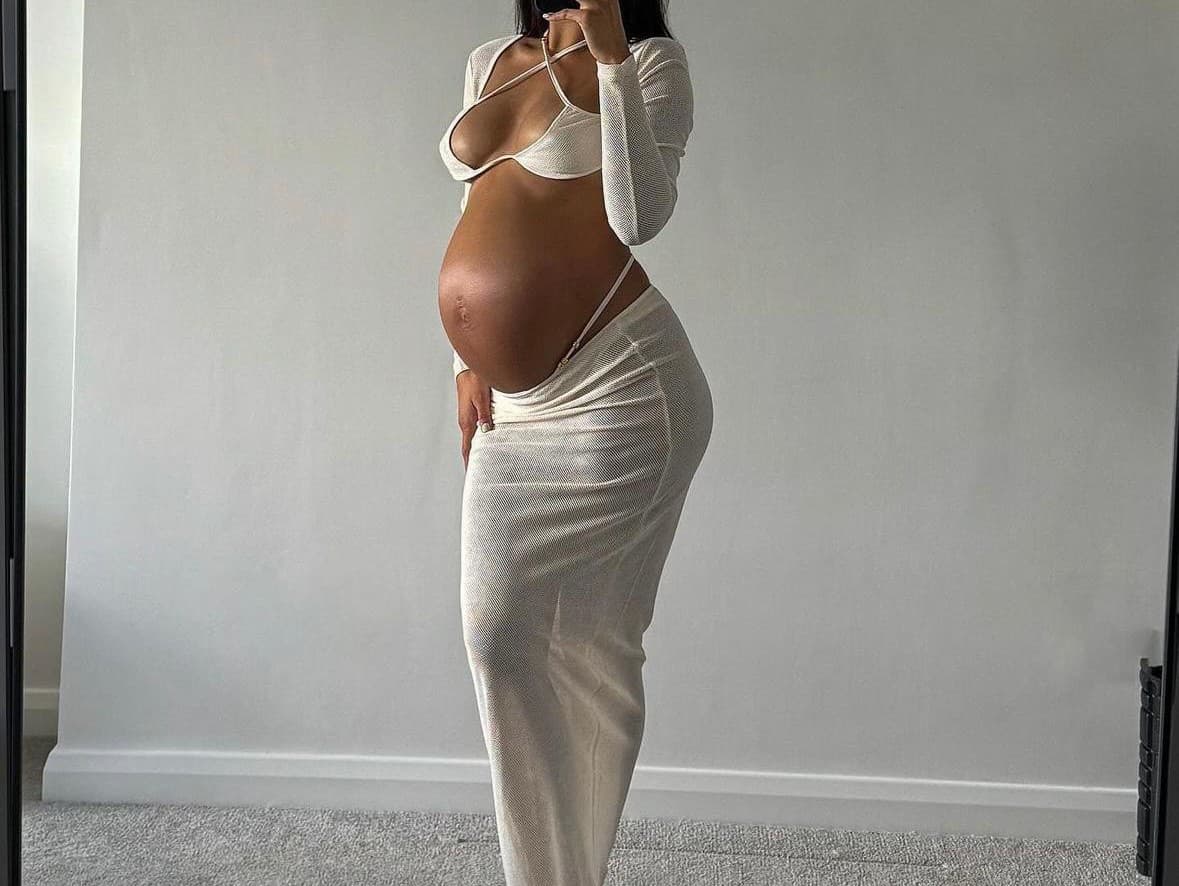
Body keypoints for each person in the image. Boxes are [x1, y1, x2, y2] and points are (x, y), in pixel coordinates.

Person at [436, 1, 712, 883]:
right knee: (497, 636)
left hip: (618, 389)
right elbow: (478, 202)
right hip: (514, 409)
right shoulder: (490, 59)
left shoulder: (653, 64)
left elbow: (639, 216)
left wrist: (613, 60)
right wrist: (465, 356)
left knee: (592, 649)